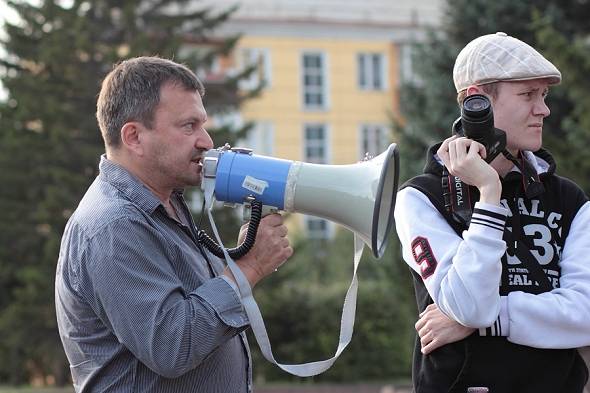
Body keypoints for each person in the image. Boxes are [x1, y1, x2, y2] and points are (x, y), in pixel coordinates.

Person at [55, 56, 293, 393]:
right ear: (134, 137)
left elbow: (193, 308)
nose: (207, 141)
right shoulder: (113, 226)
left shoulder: (161, 205)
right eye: (188, 126)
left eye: (203, 124)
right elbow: (172, 346)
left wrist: (243, 259)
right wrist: (249, 266)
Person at [394, 32, 590, 393]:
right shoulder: (421, 198)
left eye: (544, 95)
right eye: (528, 95)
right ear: (476, 101)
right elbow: (468, 306)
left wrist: (491, 320)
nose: (543, 109)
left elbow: (586, 314)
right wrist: (488, 195)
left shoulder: (570, 200)